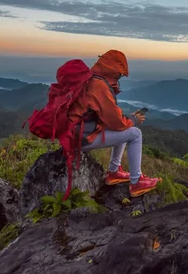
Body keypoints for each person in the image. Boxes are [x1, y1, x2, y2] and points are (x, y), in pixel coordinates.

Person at [68, 50, 161, 197]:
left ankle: (114, 172)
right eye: (119, 74)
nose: (119, 78)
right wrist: (134, 120)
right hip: (81, 139)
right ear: (114, 71)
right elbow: (116, 123)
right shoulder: (98, 86)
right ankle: (136, 182)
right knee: (135, 134)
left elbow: (111, 119)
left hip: (75, 135)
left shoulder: (91, 80)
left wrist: (129, 119)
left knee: (126, 128)